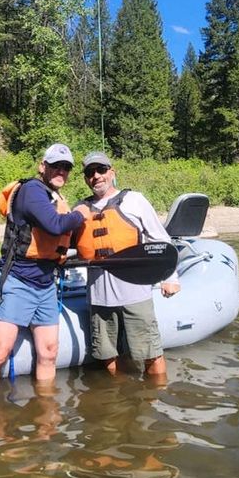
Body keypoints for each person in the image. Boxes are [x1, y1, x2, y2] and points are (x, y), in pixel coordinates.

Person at [0, 143, 90, 403]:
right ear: (42, 167)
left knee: (49, 352)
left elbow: (59, 239)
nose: (61, 171)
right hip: (18, 282)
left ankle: (45, 411)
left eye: (66, 167)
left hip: (46, 285)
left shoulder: (55, 197)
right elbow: (55, 225)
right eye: (56, 165)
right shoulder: (33, 190)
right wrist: (80, 214)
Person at [73, 151, 180, 378]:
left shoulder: (135, 200)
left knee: (151, 353)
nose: (96, 176)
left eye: (101, 170)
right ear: (85, 178)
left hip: (135, 293)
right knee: (106, 354)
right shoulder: (79, 209)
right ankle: (121, 394)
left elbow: (160, 240)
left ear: (112, 172)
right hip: (99, 297)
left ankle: (154, 397)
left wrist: (169, 278)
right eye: (90, 172)